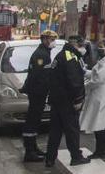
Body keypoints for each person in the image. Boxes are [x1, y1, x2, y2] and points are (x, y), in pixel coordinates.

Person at [44, 35, 89, 167]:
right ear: (76, 44)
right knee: (72, 130)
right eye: (81, 46)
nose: (83, 48)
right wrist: (78, 100)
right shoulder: (70, 57)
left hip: (57, 100)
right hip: (67, 101)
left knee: (55, 131)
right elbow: (75, 82)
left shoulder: (60, 55)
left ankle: (50, 159)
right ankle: (76, 157)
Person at [18, 30, 58, 162]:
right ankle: (29, 151)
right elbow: (36, 75)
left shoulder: (45, 53)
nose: (54, 42)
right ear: (45, 39)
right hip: (37, 92)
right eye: (52, 39)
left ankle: (33, 148)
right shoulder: (41, 55)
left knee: (35, 120)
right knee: (32, 120)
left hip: (39, 92)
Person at [79, 39, 105, 159]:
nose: (99, 50)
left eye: (101, 47)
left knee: (99, 124)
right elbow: (96, 73)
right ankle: (103, 150)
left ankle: (100, 151)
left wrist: (85, 86)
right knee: (104, 124)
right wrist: (85, 72)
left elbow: (98, 79)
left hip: (102, 94)